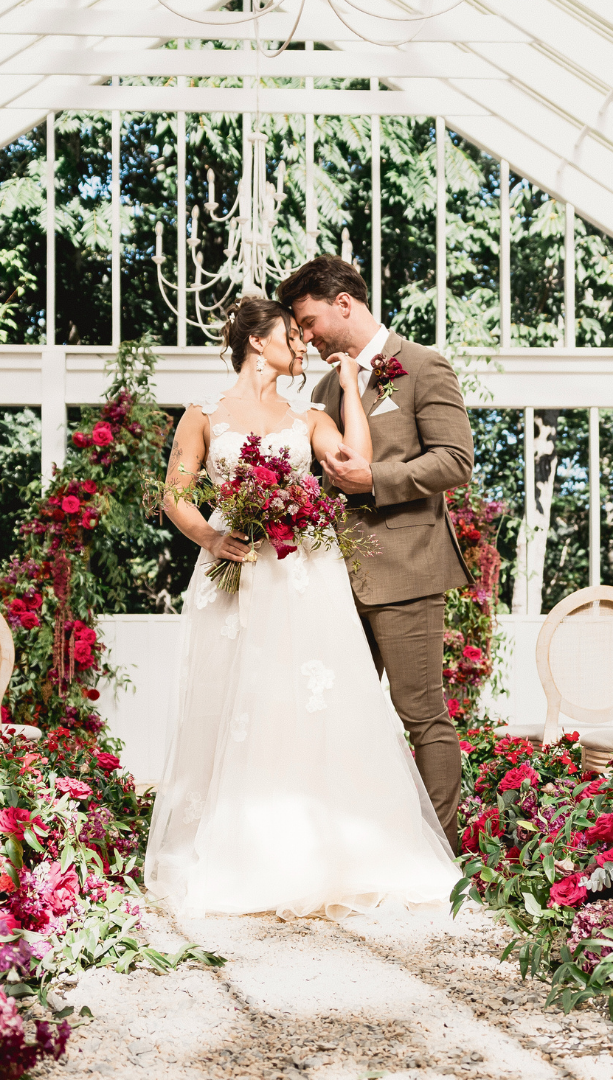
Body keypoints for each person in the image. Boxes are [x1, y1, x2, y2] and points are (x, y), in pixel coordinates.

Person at [145, 296, 460, 919]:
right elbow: (175, 493)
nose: (304, 344)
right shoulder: (201, 416)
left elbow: (356, 462)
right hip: (234, 569)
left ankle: (326, 845)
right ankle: (241, 845)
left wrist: (347, 383)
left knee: (313, 704)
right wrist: (210, 536)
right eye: (292, 334)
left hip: (304, 574)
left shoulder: (312, 412)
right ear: (257, 343)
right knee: (236, 699)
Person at [277, 256, 474, 854]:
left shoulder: (422, 366)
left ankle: (438, 854)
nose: (305, 337)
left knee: (421, 713)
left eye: (309, 321)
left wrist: (376, 479)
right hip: (337, 578)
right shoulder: (320, 389)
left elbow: (454, 462)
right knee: (340, 716)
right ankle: (360, 848)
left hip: (408, 569)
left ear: (344, 302)